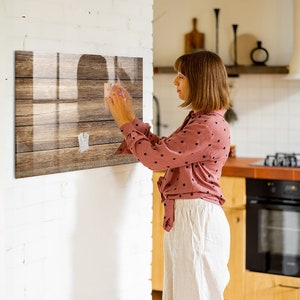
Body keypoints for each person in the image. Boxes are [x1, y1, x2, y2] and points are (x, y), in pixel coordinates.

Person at [105, 50, 232, 300]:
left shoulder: (207, 125)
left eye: (181, 76)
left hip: (196, 221)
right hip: (190, 218)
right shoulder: (200, 120)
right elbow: (164, 150)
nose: (175, 82)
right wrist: (130, 118)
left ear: (199, 81)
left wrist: (124, 122)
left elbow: (155, 159)